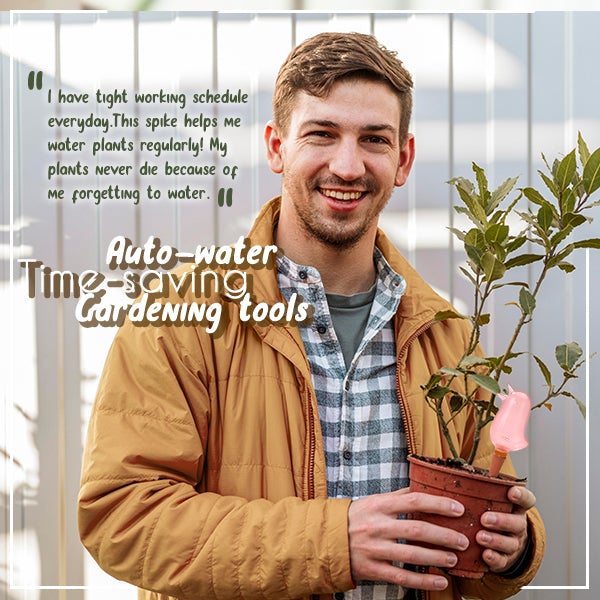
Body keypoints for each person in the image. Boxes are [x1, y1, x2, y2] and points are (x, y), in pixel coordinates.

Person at [78, 32, 545, 600]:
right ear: (277, 147)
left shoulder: (448, 338)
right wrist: (333, 543)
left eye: (374, 139)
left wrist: (513, 550)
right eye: (322, 134)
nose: (348, 166)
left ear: (403, 159)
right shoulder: (178, 316)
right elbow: (122, 517)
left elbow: (474, 549)